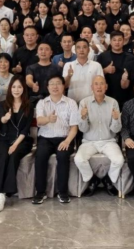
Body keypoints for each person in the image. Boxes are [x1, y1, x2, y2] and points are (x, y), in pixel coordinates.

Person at [0, 76, 34, 212]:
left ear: (23, 89)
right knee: (2, 158)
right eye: (14, 87)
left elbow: (25, 129)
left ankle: (3, 194)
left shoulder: (29, 105)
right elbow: (1, 120)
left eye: (19, 87)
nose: (16, 90)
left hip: (22, 140)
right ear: (10, 88)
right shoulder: (3, 104)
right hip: (4, 139)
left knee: (13, 157)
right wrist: (5, 119)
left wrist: (15, 145)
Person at [33, 75, 79, 204]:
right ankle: (40, 192)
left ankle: (62, 192)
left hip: (64, 138)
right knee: (40, 156)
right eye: (52, 83)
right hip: (45, 138)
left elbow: (74, 127)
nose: (55, 86)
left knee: (63, 156)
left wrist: (67, 141)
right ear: (47, 87)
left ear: (63, 86)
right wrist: (48, 119)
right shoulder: (42, 103)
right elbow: (39, 121)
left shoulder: (71, 103)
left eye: (58, 83)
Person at [75, 76, 123, 197]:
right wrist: (83, 118)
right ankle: (93, 179)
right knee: (79, 159)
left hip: (109, 141)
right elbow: (83, 129)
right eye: (96, 84)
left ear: (106, 87)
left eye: (102, 84)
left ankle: (108, 179)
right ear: (92, 87)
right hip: (89, 141)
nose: (99, 86)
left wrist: (116, 119)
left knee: (119, 160)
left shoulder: (113, 102)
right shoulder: (84, 103)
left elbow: (116, 130)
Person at [96, 31, 134, 106]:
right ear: (110, 42)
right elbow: (96, 76)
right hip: (106, 95)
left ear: (123, 41)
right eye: (114, 40)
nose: (117, 42)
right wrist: (105, 70)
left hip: (126, 96)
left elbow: (133, 77)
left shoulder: (130, 58)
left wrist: (126, 78)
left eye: (120, 40)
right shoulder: (102, 56)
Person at [63, 39, 104, 104]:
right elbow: (64, 86)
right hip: (73, 103)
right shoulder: (68, 65)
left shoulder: (97, 65)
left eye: (84, 47)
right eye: (78, 47)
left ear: (89, 50)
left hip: (92, 102)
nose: (81, 50)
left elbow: (101, 85)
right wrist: (69, 76)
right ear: (75, 50)